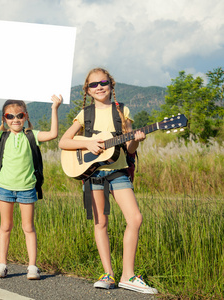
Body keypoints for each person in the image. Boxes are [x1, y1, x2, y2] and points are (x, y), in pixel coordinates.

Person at [58, 68, 158, 294]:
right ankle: (108, 274)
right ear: (88, 90)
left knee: (135, 218)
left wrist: (137, 140)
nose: (99, 87)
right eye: (93, 85)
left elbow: (130, 147)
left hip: (118, 170)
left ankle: (128, 275)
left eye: (103, 82)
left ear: (111, 85)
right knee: (100, 223)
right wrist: (88, 144)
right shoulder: (85, 114)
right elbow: (64, 142)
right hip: (93, 173)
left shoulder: (122, 110)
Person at [0, 89, 62, 280]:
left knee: (28, 227)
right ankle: (2, 265)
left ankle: (32, 267)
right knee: (5, 226)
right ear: (4, 119)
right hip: (5, 188)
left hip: (27, 189)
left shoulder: (31, 135)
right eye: (10, 116)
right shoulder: (2, 137)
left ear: (25, 116)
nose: (15, 119)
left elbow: (53, 134)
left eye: (19, 115)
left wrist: (54, 108)